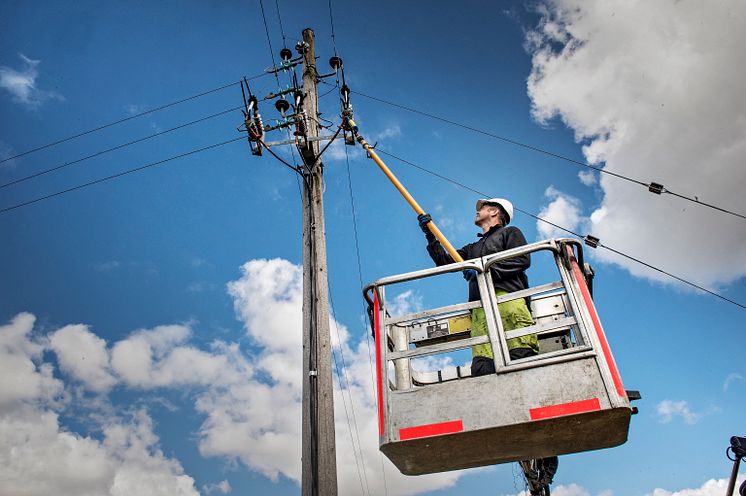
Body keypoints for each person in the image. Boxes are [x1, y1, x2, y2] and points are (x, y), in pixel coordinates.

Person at [417, 197, 558, 490]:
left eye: (483, 207)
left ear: (495, 212)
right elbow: (446, 260)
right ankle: (514, 441)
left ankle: (547, 456)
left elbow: (522, 259)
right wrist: (430, 235)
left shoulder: (510, 233)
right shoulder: (473, 247)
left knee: (522, 368)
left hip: (510, 304)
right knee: (484, 371)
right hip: (481, 311)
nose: (477, 210)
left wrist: (484, 270)